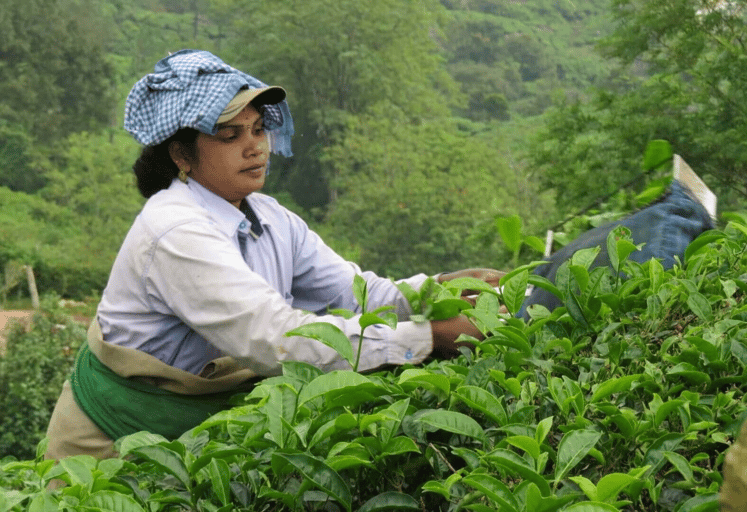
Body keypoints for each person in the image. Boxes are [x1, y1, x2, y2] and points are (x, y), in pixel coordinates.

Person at [44, 49, 504, 461]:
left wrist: (439, 288)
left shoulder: (270, 217)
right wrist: (427, 338)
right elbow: (275, 340)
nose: (255, 146)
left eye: (259, 129)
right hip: (109, 440)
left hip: (192, 433)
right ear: (182, 154)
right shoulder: (176, 231)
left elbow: (355, 293)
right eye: (230, 135)